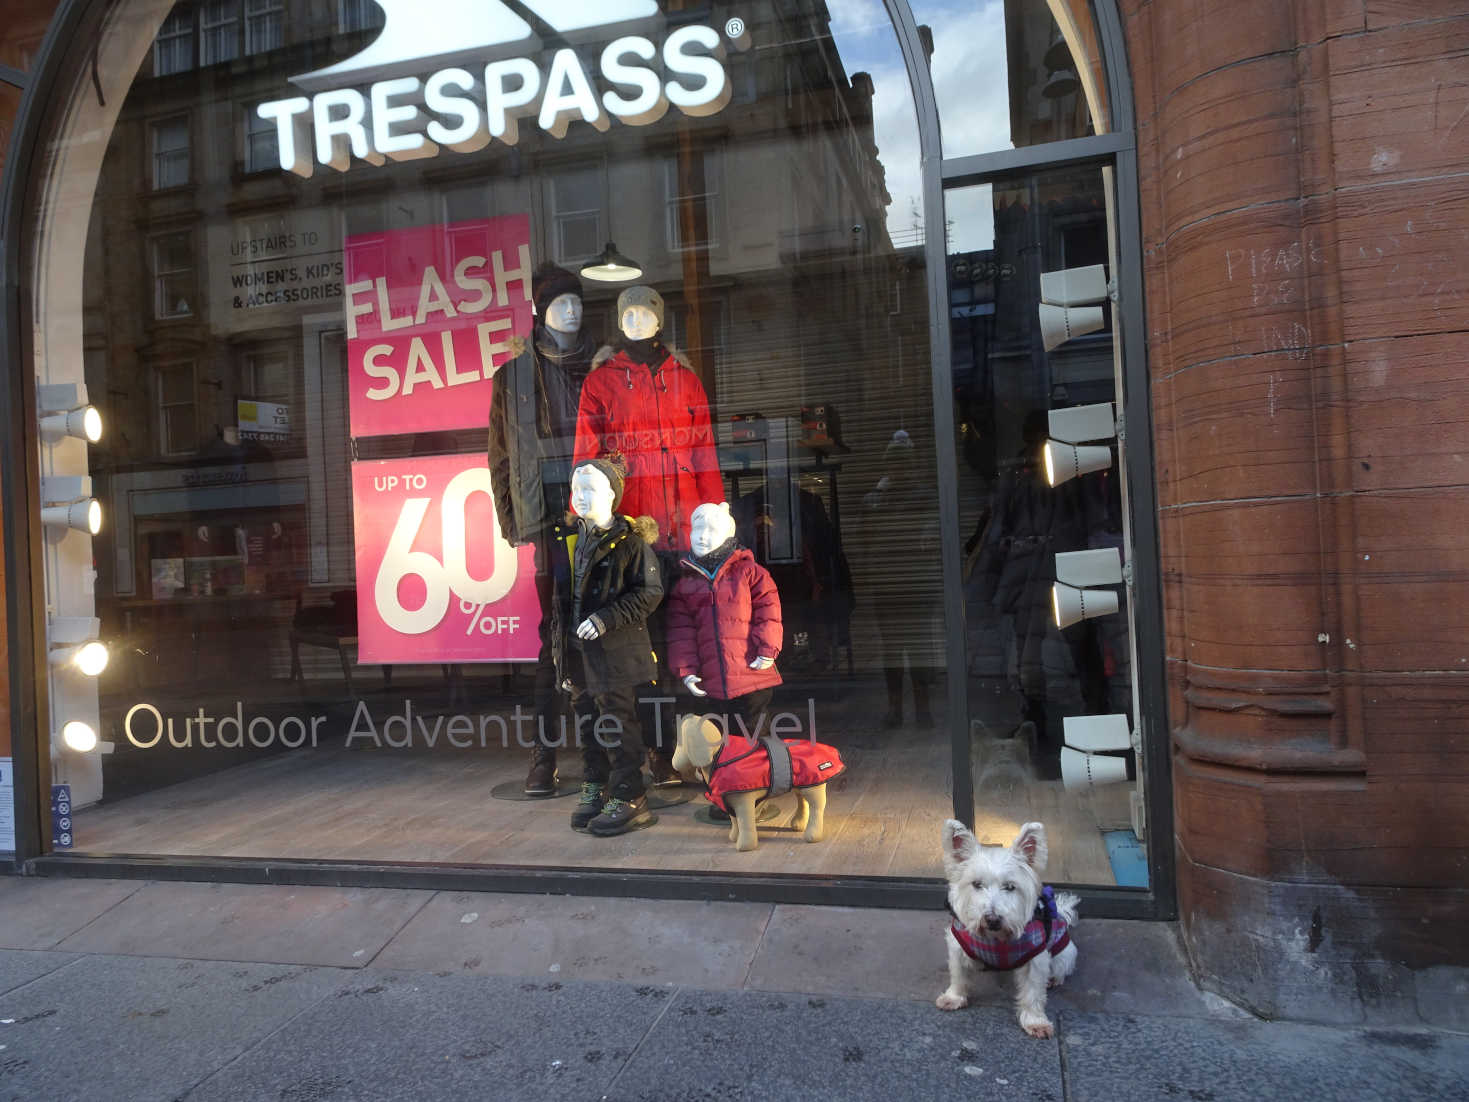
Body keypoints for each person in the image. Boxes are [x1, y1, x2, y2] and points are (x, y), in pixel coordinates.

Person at [488, 264, 597, 796]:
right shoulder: (512, 378)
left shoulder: (602, 369)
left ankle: (629, 748)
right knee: (552, 639)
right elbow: (501, 457)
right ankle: (544, 752)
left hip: (602, 523)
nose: (571, 312)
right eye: (560, 304)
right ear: (539, 312)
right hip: (548, 523)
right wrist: (514, 521)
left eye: (577, 302)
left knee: (614, 629)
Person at [551, 457, 664, 836]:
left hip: (616, 653)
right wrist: (561, 659)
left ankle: (630, 796)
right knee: (588, 723)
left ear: (612, 495)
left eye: (591, 489)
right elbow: (559, 604)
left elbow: (649, 594)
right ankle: (597, 787)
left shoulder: (631, 545)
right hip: (579, 653)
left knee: (617, 724)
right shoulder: (569, 539)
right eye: (576, 489)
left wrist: (604, 620)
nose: (580, 497)